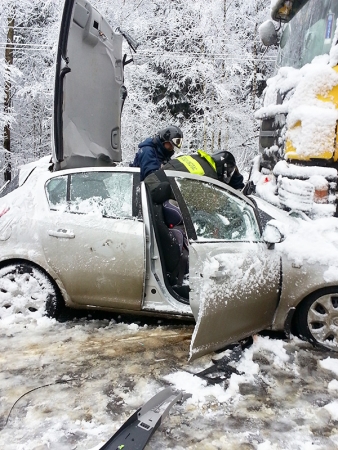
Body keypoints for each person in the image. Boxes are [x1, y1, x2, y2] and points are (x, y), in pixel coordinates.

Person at [145, 149, 244, 193]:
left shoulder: (195, 157)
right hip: (156, 193)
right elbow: (212, 205)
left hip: (147, 183)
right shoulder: (210, 176)